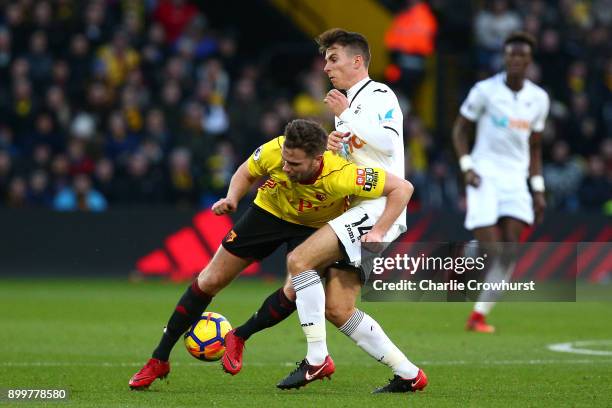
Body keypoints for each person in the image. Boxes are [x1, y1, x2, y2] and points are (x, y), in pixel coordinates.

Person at [128, 118, 413, 390]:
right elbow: (246, 171)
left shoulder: (342, 174)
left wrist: (380, 230)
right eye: (285, 160)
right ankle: (159, 359)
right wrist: (232, 198)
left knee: (295, 289)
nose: (286, 167)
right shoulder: (276, 149)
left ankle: (241, 336)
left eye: (295, 163)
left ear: (317, 159)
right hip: (267, 213)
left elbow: (402, 187)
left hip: (313, 228)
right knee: (209, 280)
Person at [223, 29, 427, 394]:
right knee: (338, 309)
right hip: (358, 205)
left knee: (299, 261)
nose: (326, 66)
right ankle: (409, 374)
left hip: (379, 205)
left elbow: (389, 141)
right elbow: (361, 153)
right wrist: (338, 143)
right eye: (326, 59)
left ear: (357, 61)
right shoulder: (352, 103)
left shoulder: (377, 94)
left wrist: (346, 118)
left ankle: (316, 360)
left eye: (333, 59)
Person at [451, 32, 549, 333]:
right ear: (505, 58)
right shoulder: (484, 91)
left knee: (508, 251)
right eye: (511, 55)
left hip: (516, 180)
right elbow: (459, 131)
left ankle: (478, 315)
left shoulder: (539, 99)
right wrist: (467, 166)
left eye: (522, 56)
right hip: (484, 174)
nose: (516, 60)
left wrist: (539, 188)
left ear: (529, 60)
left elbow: (534, 146)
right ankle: (464, 259)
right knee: (491, 248)